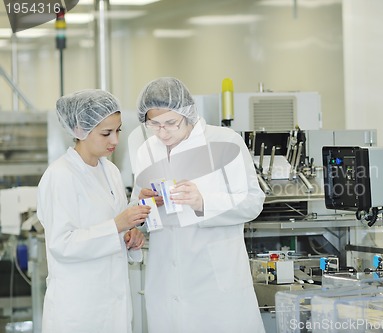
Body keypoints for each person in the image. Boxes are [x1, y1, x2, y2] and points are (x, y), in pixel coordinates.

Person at [129, 77, 265, 333]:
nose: (162, 132)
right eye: (154, 124)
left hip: (215, 284)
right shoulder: (146, 151)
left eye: (171, 123)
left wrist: (204, 202)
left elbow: (253, 202)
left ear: (187, 113)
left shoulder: (224, 143)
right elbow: (138, 210)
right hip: (164, 280)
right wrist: (145, 205)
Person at [37, 89, 151, 333]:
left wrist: (131, 234)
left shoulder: (109, 171)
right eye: (106, 133)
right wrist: (118, 226)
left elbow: (115, 225)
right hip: (79, 310)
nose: (115, 140)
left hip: (113, 306)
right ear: (80, 130)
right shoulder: (60, 176)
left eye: (118, 130)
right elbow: (62, 244)